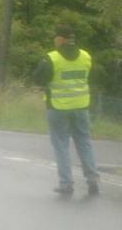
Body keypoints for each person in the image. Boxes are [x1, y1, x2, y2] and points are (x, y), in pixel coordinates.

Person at [33, 24, 100, 196]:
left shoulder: (51, 58)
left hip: (58, 107)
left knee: (61, 144)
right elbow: (91, 78)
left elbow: (38, 79)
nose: (55, 40)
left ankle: (66, 183)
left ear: (61, 39)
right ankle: (92, 179)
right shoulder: (86, 56)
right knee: (84, 142)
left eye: (56, 37)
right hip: (81, 107)